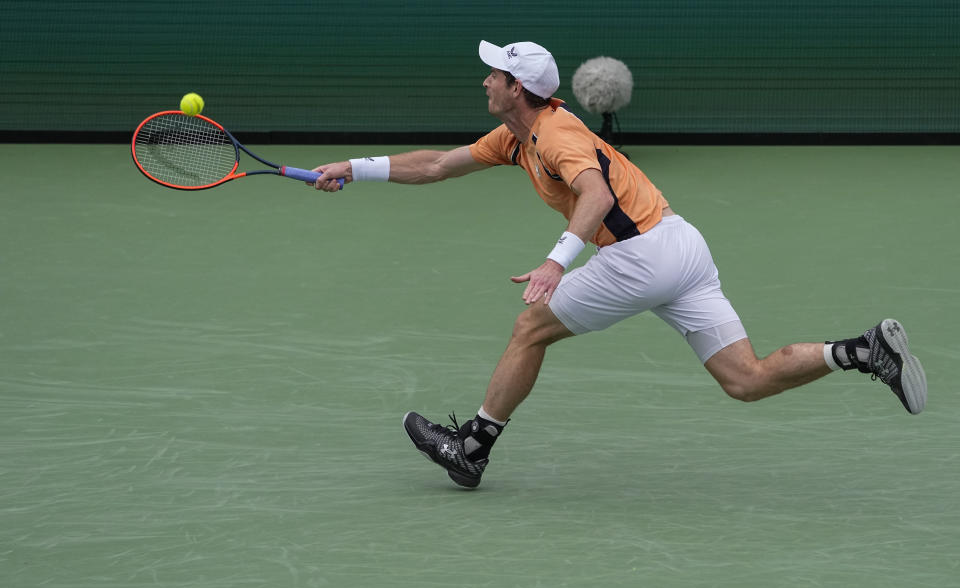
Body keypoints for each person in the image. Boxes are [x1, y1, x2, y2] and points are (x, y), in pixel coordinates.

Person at [310, 40, 927, 489]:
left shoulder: (557, 137)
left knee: (531, 327)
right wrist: (355, 168)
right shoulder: (516, 136)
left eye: (492, 73)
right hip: (681, 245)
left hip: (639, 255)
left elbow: (597, 197)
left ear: (516, 87)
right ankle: (863, 350)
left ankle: (473, 446)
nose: (484, 81)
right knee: (745, 379)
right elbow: (439, 165)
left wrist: (556, 263)